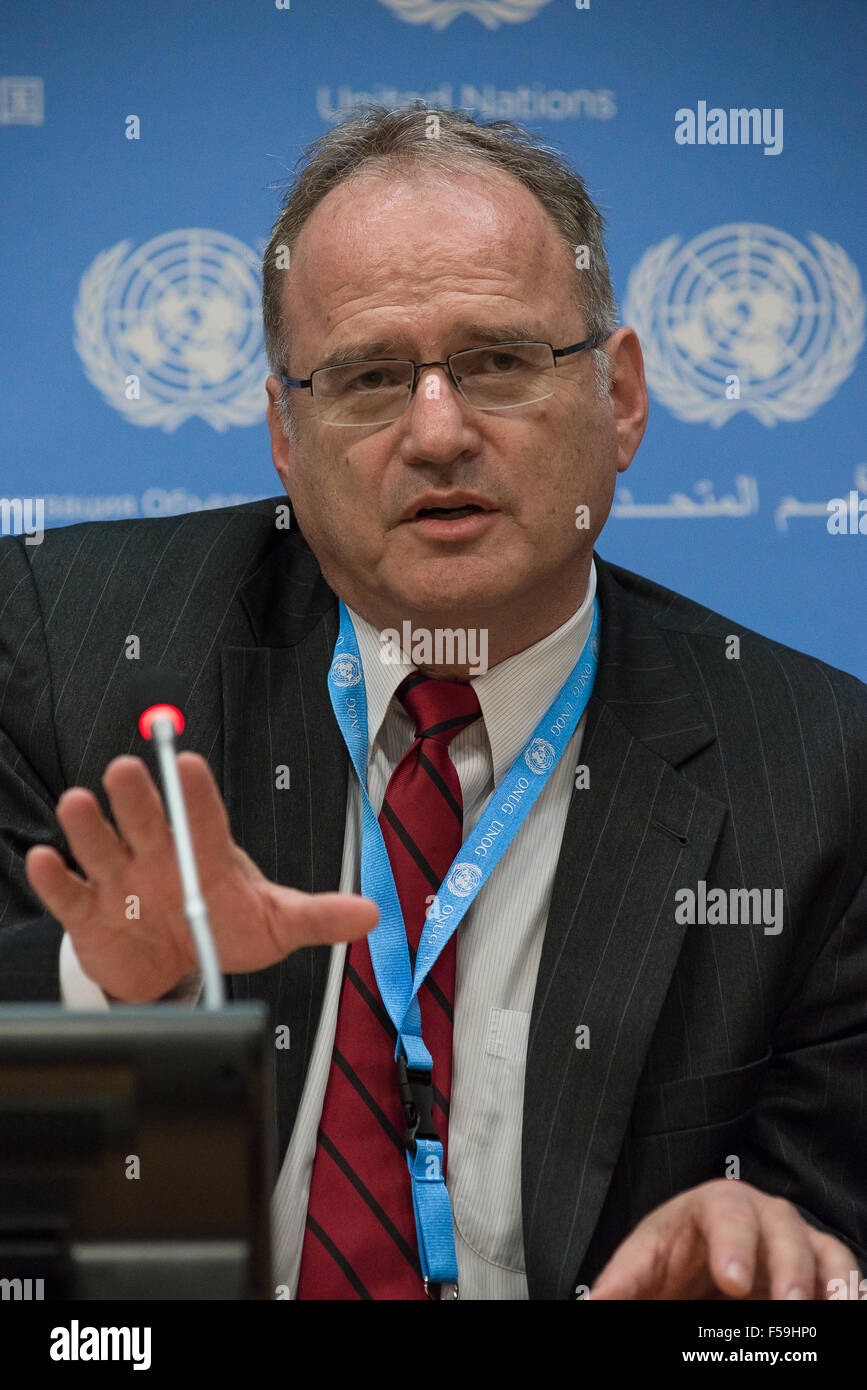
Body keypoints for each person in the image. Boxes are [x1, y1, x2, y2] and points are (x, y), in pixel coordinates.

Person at [1, 104, 865, 1301]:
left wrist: (761, 1265)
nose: (439, 430)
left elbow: (822, 1250)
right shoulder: (73, 654)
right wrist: (119, 1007)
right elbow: (69, 1285)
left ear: (620, 398)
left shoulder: (822, 777)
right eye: (366, 378)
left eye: (500, 362)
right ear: (285, 440)